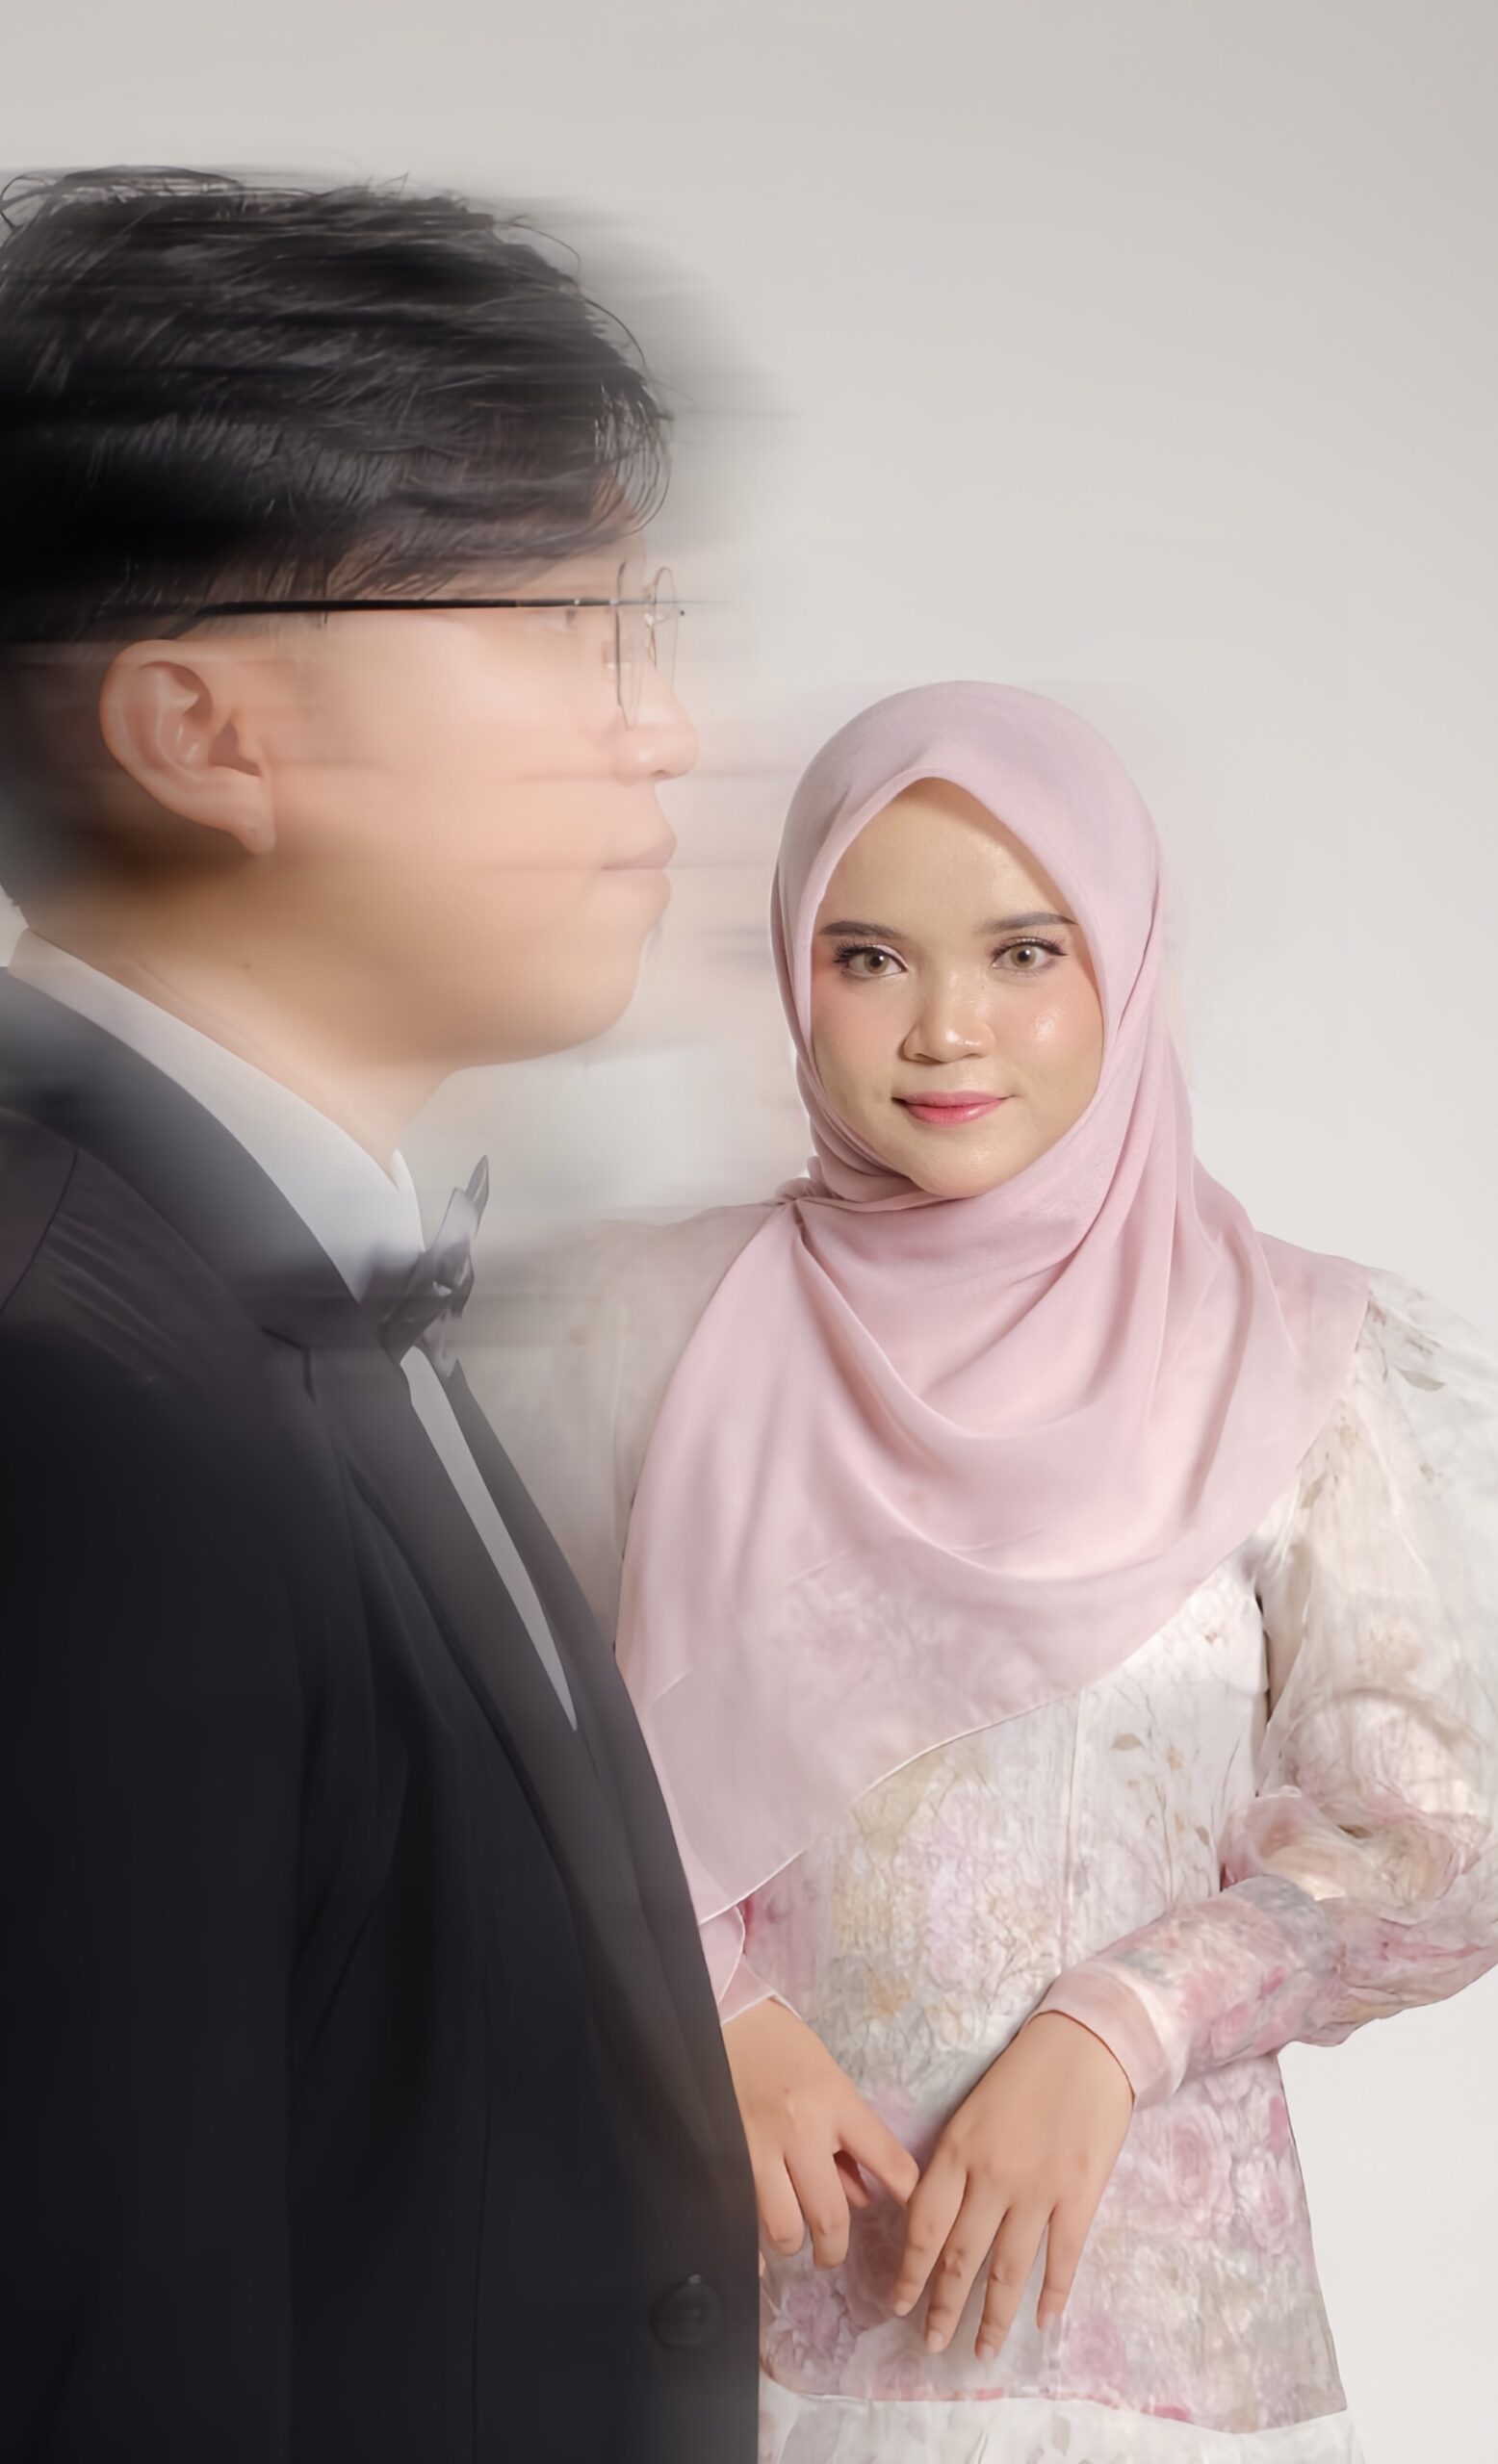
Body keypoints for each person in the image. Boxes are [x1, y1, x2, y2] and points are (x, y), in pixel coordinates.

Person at [470, 681, 1498, 2462]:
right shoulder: (644, 1333)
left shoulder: (1304, 1365)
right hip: (719, 2340)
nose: (947, 1028)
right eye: (867, 957)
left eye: (1025, 952)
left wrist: (1121, 2028)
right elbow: (472, 1769)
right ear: (794, 973)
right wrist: (703, 2002)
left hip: (1160, 2365)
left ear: (1128, 963)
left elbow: (1436, 1846)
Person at [0, 167, 758, 2464]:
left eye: (642, 624)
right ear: (203, 731)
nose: (661, 732)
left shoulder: (285, 1286)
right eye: (562, 622)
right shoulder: (69, 1404)